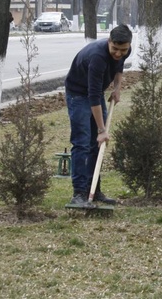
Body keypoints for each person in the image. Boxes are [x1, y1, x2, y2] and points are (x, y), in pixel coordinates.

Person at [65, 24, 132, 208]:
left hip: (95, 93)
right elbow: (93, 96)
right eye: (115, 49)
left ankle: (94, 190)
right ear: (109, 42)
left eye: (123, 50)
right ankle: (78, 194)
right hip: (78, 94)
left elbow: (119, 68)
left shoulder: (125, 49)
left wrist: (117, 88)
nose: (119, 53)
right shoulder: (97, 57)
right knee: (82, 142)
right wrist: (102, 130)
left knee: (97, 145)